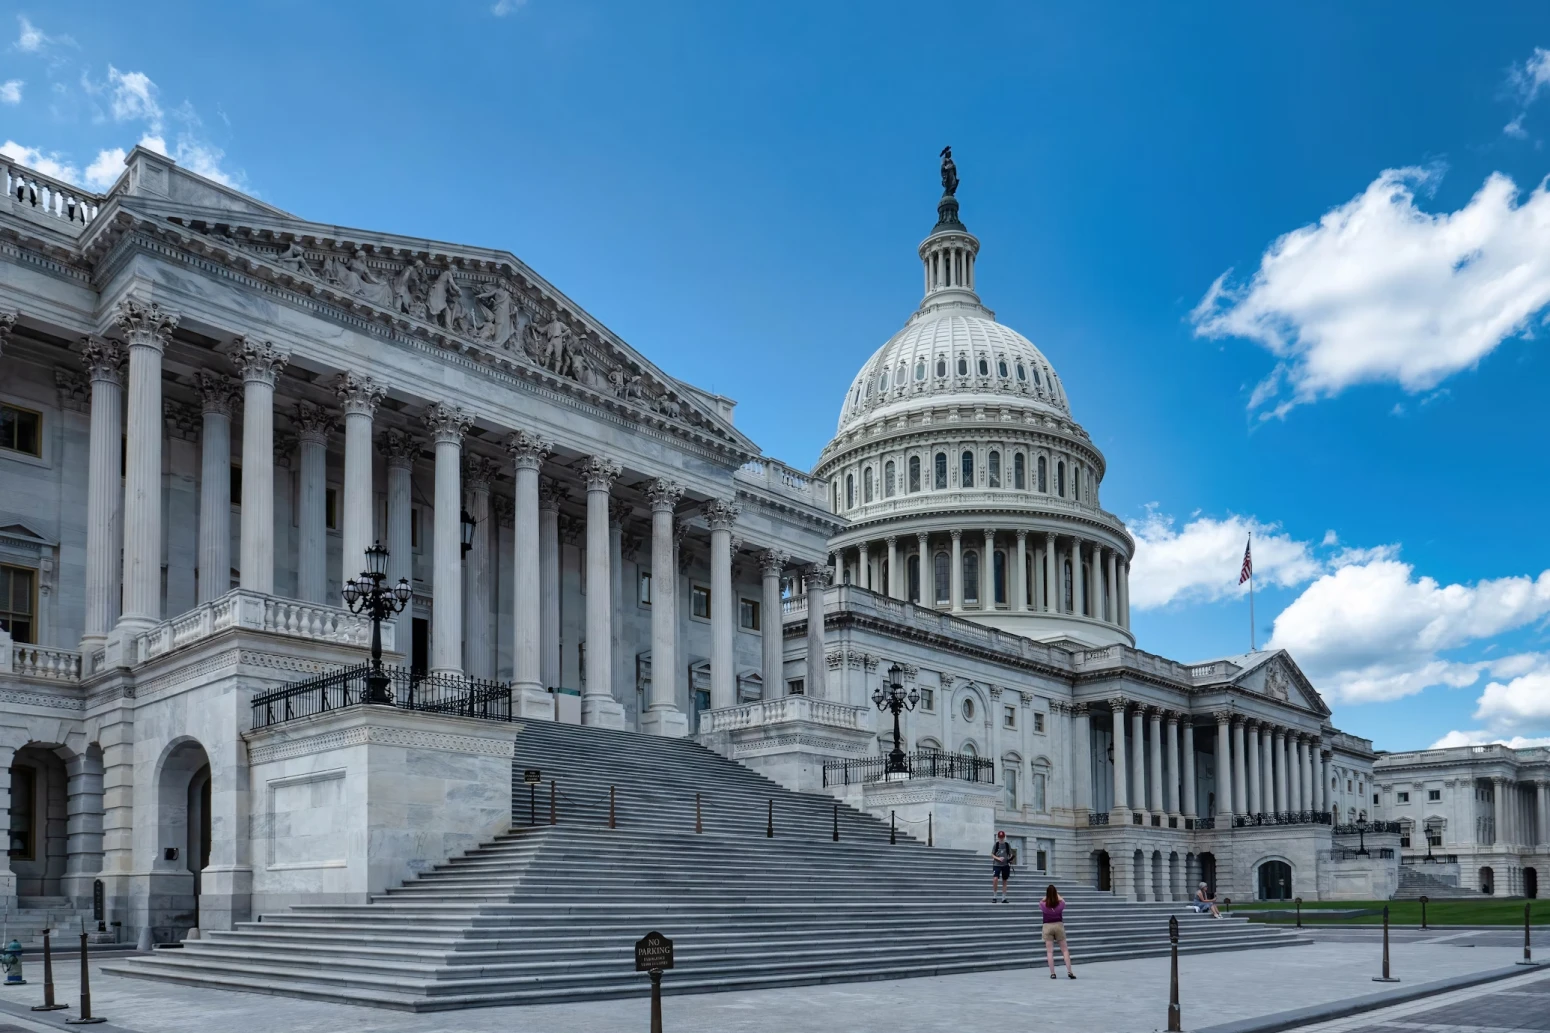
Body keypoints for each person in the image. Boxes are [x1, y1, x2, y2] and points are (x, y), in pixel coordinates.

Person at [1040, 884, 1075, 979]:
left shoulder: (1043, 905)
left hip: (1047, 926)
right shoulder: (1060, 905)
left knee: (1050, 952)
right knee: (1064, 950)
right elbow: (1063, 900)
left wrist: (1047, 896)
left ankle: (1052, 973)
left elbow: (1041, 901)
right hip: (1059, 925)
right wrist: (1056, 895)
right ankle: (1069, 971)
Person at [990, 831, 1014, 903]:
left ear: (1004, 837)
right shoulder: (996, 845)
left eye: (1002, 837)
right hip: (997, 864)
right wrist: (998, 858)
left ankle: (1003, 898)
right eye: (1000, 837)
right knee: (995, 879)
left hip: (1005, 865)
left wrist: (1010, 859)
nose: (1001, 839)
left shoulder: (1007, 845)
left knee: (1004, 880)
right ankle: (994, 896)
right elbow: (992, 854)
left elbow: (1010, 853)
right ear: (998, 837)